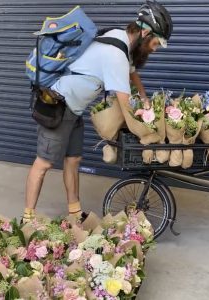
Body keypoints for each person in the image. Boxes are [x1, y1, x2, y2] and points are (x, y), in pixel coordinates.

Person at [22, 0, 173, 222]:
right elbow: (125, 107)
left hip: (74, 109)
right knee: (43, 163)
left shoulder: (121, 40)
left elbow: (132, 74)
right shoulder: (116, 56)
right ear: (145, 32)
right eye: (156, 43)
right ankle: (27, 217)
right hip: (58, 105)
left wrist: (145, 99)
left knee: (73, 159)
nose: (155, 49)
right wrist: (147, 132)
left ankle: (74, 212)